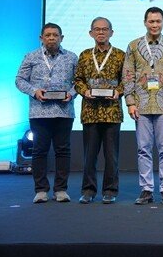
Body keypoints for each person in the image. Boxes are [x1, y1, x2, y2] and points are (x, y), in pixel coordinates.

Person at [123, 7, 163, 205]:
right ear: (145, 22)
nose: (155, 25)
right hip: (141, 105)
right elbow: (128, 76)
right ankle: (146, 189)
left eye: (158, 21)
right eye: (151, 21)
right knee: (143, 149)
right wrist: (130, 103)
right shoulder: (133, 46)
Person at [16, 23, 78, 203]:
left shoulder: (71, 57)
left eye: (55, 35)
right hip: (39, 112)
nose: (51, 38)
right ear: (41, 38)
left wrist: (71, 93)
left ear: (61, 38)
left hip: (63, 112)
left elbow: (80, 81)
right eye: (48, 35)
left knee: (63, 151)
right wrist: (34, 91)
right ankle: (41, 190)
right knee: (39, 151)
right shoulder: (31, 56)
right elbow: (19, 80)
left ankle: (61, 190)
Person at [73, 17, 125, 204]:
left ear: (111, 32)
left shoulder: (120, 55)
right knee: (89, 156)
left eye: (104, 29)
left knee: (112, 156)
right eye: (97, 29)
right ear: (91, 33)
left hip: (112, 113)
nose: (101, 32)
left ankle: (110, 190)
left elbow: (127, 80)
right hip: (90, 112)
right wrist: (84, 91)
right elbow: (77, 79)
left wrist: (118, 91)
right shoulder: (85, 55)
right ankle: (88, 190)